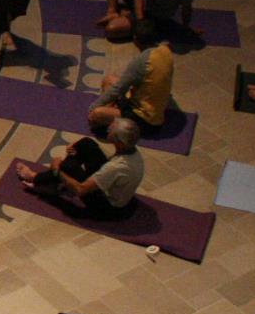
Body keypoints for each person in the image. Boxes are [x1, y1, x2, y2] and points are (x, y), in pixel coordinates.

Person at [16, 117, 145, 219]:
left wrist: (57, 170)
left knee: (66, 167)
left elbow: (80, 190)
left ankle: (36, 178)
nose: (107, 131)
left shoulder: (116, 167)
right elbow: (111, 160)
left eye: (110, 131)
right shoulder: (132, 152)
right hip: (113, 187)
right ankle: (53, 183)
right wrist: (76, 150)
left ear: (119, 141)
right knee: (86, 144)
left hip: (107, 207)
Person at [90, 21, 175, 135]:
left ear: (135, 39)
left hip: (145, 120)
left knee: (96, 114)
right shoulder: (166, 49)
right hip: (149, 106)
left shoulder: (142, 61)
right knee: (109, 79)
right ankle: (111, 112)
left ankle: (112, 124)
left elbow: (119, 89)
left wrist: (93, 107)